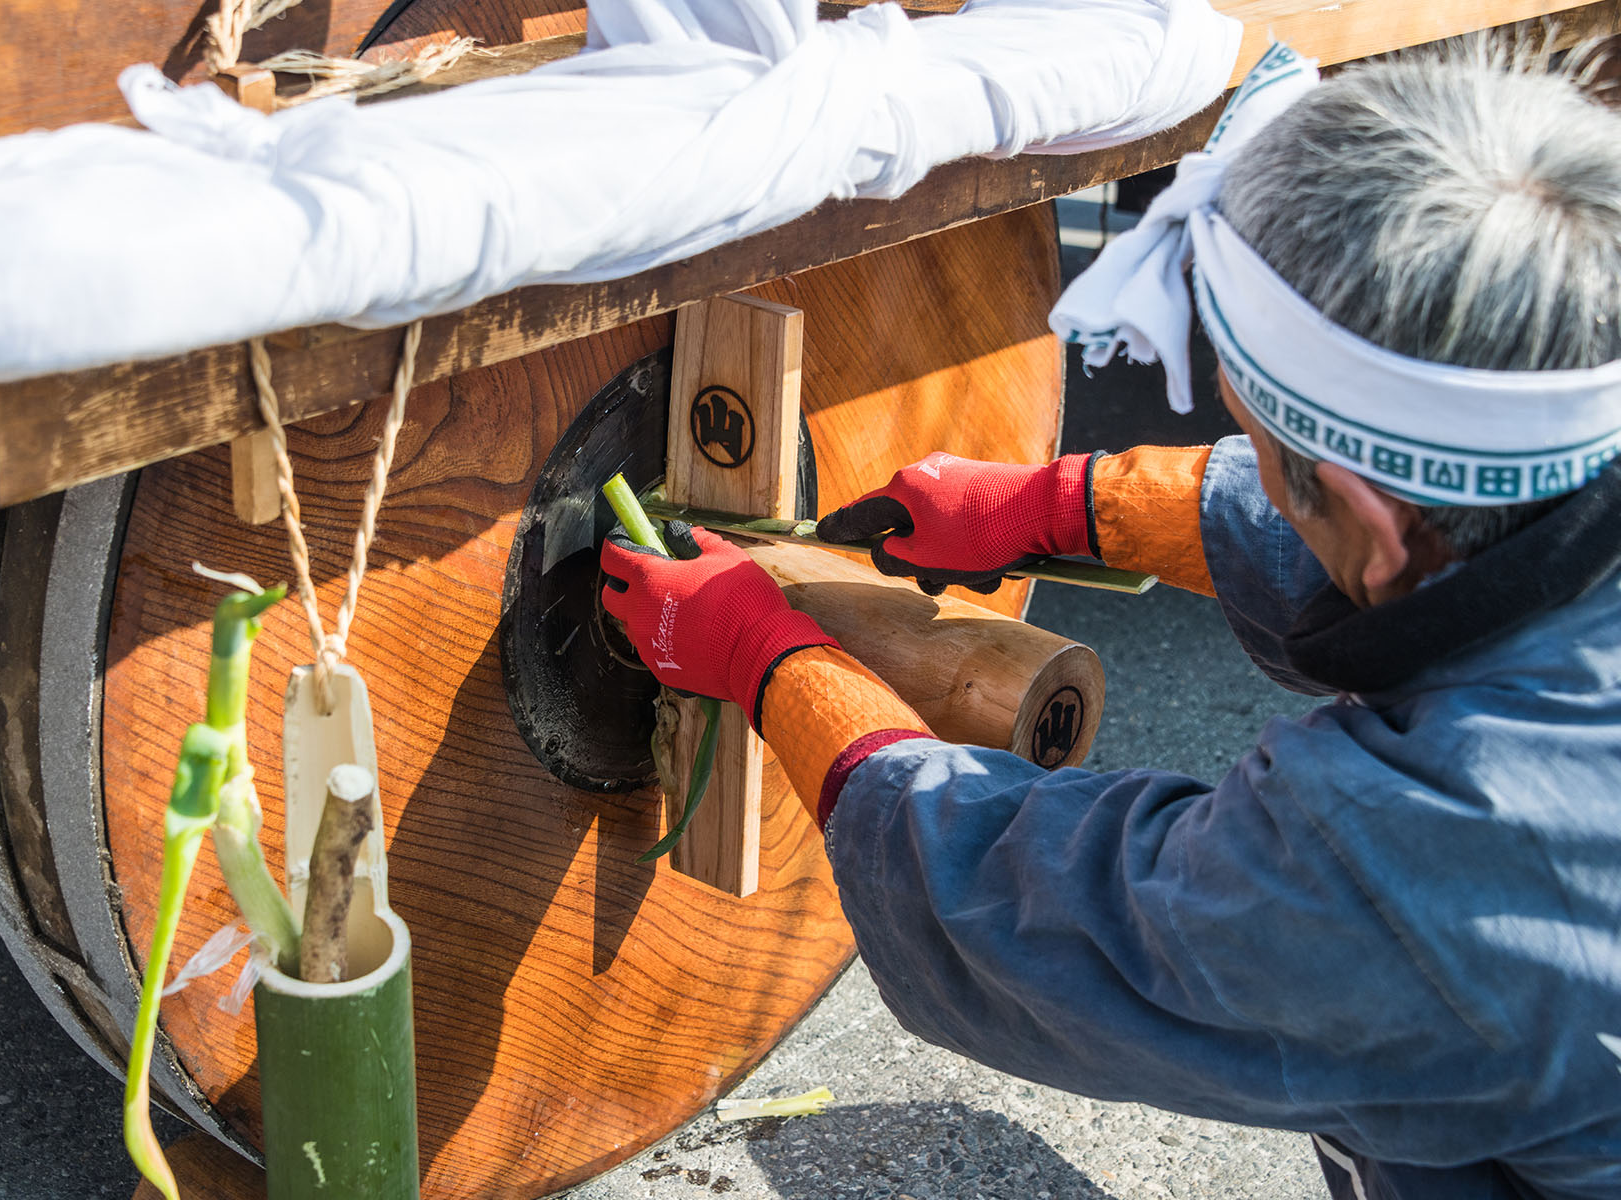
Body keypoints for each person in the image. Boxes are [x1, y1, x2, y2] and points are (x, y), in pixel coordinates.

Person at [598, 40, 1621, 1200]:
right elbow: (1395, 543)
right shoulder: (1566, 446)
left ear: (1377, 525)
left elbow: (1045, 913)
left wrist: (769, 659)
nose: (1257, 469)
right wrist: (1061, 506)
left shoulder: (1428, 857)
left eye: (1273, 459)